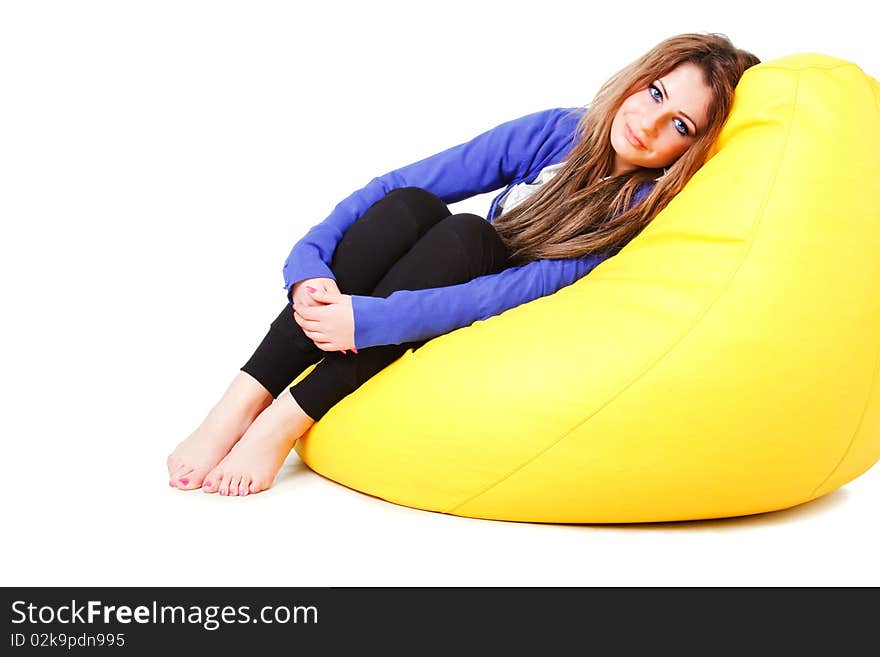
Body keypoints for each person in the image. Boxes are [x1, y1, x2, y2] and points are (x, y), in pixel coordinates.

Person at [167, 32, 760, 497]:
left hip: (487, 315)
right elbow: (399, 182)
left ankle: (280, 423)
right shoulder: (561, 131)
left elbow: (501, 296)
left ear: (694, 150)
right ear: (638, 80)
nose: (649, 124)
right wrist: (308, 266)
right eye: (656, 94)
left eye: (680, 126)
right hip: (417, 292)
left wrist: (367, 319)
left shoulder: (635, 212)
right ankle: (240, 401)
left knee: (469, 236)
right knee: (410, 206)